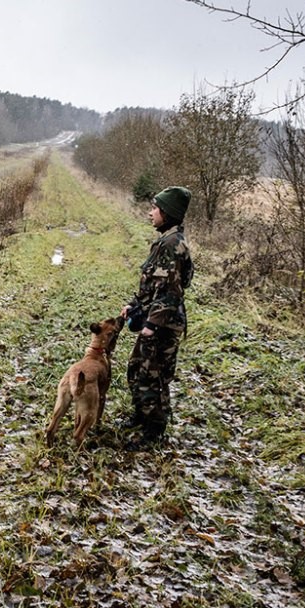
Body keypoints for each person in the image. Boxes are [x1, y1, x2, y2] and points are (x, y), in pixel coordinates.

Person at [120, 186, 193, 449]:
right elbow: (154, 284)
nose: (150, 213)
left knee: (153, 376)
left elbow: (171, 292)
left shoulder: (171, 245)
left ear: (167, 214)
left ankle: (153, 431)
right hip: (157, 319)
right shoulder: (169, 240)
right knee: (138, 369)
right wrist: (134, 304)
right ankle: (142, 417)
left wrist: (151, 324)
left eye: (155, 209)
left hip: (163, 326)